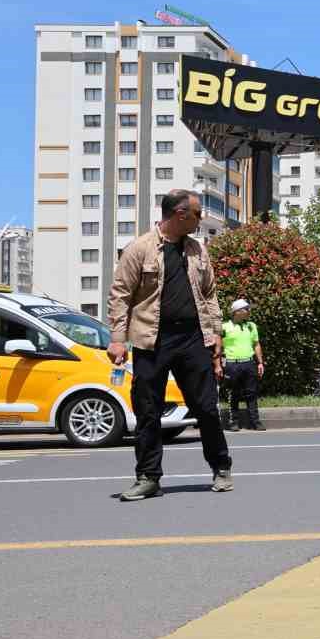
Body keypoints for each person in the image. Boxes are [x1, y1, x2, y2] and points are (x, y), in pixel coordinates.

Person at [107, 188, 233, 500]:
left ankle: (221, 467)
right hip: (152, 340)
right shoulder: (139, 249)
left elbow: (209, 293)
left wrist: (216, 333)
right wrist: (118, 339)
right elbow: (120, 296)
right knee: (148, 410)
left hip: (193, 338)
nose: (200, 219)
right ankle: (148, 477)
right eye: (197, 214)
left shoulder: (197, 250)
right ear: (180, 214)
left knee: (206, 407)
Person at [221, 298, 265, 432]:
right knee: (233, 394)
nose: (249, 311)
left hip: (249, 363)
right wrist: (220, 363)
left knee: (252, 393)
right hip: (232, 364)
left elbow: (256, 344)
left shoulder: (251, 326)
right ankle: (233, 422)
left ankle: (255, 422)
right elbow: (218, 346)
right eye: (246, 309)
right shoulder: (224, 327)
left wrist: (260, 363)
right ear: (237, 312)